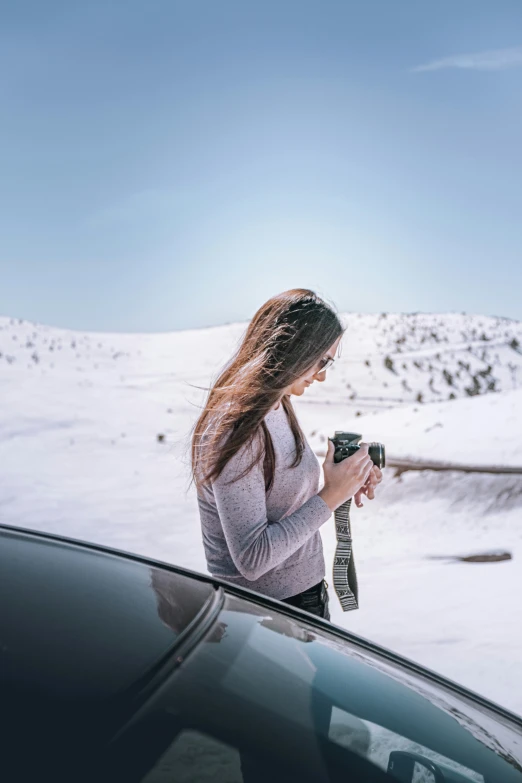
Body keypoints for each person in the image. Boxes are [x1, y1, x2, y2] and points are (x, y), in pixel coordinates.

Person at [191, 288, 382, 621]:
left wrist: (344, 481)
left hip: (300, 602)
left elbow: (284, 502)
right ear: (292, 349)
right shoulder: (238, 429)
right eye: (322, 361)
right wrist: (332, 495)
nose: (321, 376)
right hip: (264, 619)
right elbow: (252, 559)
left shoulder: (277, 405)